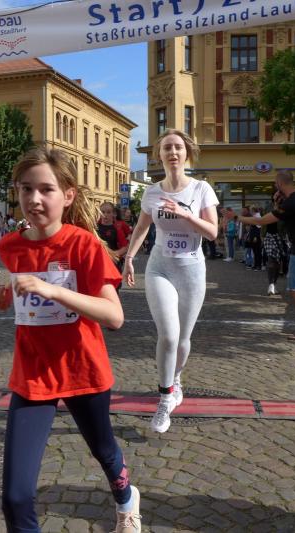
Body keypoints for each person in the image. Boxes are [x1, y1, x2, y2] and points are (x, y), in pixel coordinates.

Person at [0, 147, 141, 532]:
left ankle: (126, 499)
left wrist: (54, 291)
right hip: (33, 374)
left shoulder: (83, 245)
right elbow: (23, 299)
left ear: (68, 195)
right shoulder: (10, 246)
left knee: (104, 452)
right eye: (26, 189)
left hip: (82, 370)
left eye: (46, 189)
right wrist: (3, 299)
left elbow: (115, 316)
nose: (34, 199)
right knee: (15, 496)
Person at [122, 128, 219, 434]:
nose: (173, 152)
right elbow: (141, 228)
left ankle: (176, 379)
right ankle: (165, 398)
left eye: (178, 147)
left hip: (191, 270)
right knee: (168, 335)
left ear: (186, 153)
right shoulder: (152, 193)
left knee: (183, 339)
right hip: (160, 268)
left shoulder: (201, 189)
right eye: (167, 148)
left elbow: (212, 232)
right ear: (159, 155)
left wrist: (185, 214)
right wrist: (129, 258)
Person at [237, 170, 295, 341]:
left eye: (275, 183)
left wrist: (236, 217)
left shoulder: (290, 204)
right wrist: (279, 202)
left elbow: (261, 221)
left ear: (279, 183)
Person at [97, 202, 129, 273]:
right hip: (98, 262)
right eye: (103, 212)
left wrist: (113, 254)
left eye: (108, 212)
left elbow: (125, 247)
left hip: (112, 264)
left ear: (113, 214)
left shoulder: (117, 228)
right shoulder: (95, 227)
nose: (105, 215)